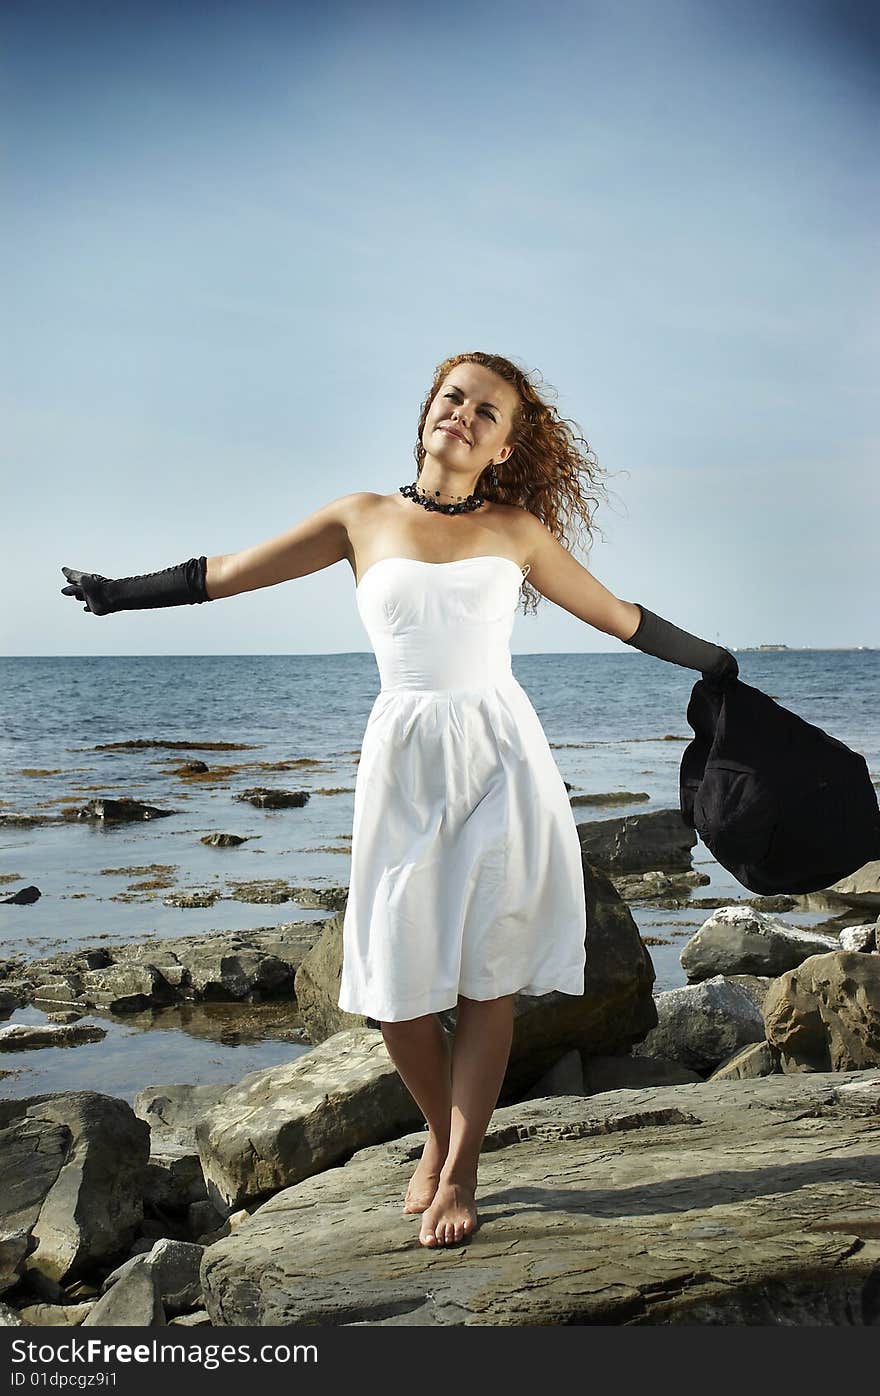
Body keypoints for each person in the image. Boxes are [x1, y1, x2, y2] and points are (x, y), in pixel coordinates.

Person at [61, 350, 737, 1250]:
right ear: (427, 413)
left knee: (488, 979)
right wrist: (115, 596)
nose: (464, 414)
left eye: (487, 412)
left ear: (501, 448)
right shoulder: (360, 517)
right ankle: (437, 1125)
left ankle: (461, 1167)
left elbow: (616, 615)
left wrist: (718, 665)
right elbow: (229, 571)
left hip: (501, 756)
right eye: (454, 397)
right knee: (395, 990)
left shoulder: (517, 530)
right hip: (405, 758)